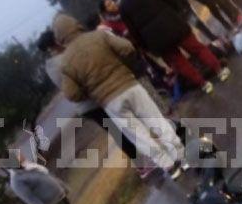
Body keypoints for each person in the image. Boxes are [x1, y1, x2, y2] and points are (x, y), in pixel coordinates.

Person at [53, 13, 187, 178]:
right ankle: (181, 156)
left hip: (109, 101)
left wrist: (90, 91)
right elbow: (126, 48)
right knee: (156, 120)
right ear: (77, 25)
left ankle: (168, 165)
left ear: (59, 39)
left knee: (139, 135)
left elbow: (72, 94)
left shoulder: (66, 63)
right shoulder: (98, 36)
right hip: (130, 85)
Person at [37, 29, 156, 179]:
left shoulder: (69, 52)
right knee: (117, 130)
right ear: (54, 43)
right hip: (90, 104)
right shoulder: (55, 65)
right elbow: (71, 88)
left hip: (102, 94)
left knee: (127, 124)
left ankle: (150, 152)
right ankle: (141, 165)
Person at [120, 0, 230, 94]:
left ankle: (203, 84)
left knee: (180, 62)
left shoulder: (123, 7)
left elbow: (134, 31)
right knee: (197, 48)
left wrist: (146, 46)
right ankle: (219, 70)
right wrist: (175, 12)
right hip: (172, 23)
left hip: (156, 39)